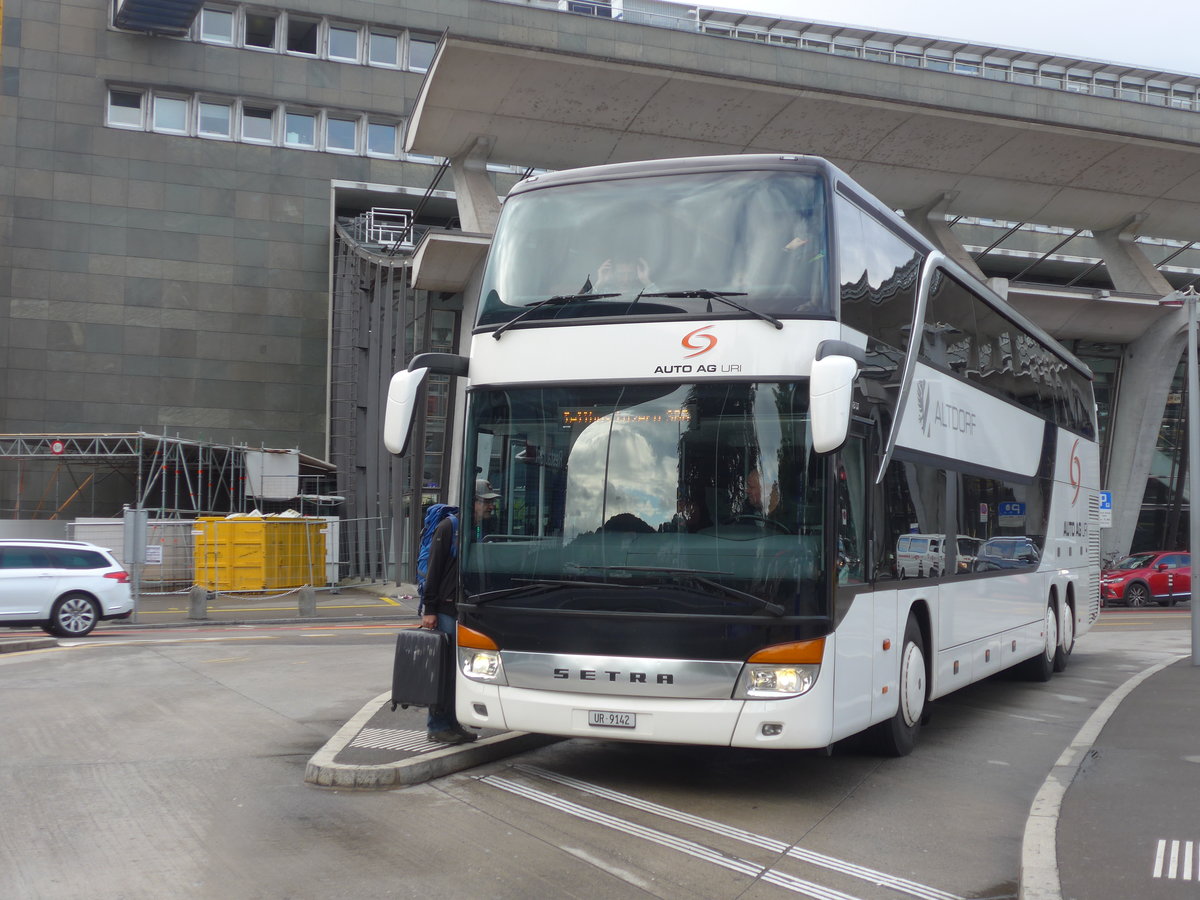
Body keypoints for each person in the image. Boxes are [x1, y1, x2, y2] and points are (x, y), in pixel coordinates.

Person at [420, 478, 500, 744]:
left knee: (458, 672)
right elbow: (434, 571)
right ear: (473, 502)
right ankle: (438, 726)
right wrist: (429, 609)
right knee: (445, 670)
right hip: (444, 610)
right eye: (486, 501)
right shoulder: (449, 527)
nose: (490, 506)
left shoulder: (473, 529)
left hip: (461, 608)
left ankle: (452, 723)